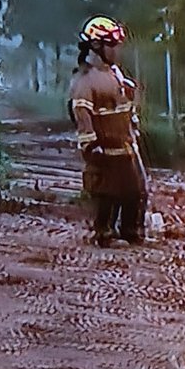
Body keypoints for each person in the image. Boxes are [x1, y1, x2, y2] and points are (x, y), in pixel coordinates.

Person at [69, 15, 147, 247]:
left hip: (125, 145)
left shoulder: (115, 73)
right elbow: (82, 115)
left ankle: (131, 231)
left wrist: (133, 125)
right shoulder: (85, 81)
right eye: (112, 45)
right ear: (96, 46)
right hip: (104, 148)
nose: (116, 50)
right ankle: (103, 233)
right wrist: (91, 145)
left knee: (135, 191)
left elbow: (124, 105)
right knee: (107, 192)